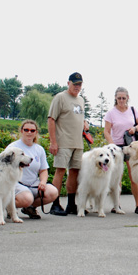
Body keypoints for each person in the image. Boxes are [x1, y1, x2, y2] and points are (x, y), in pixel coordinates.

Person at [47, 72, 90, 216]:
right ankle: (55, 204)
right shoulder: (60, 98)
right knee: (60, 170)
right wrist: (53, 142)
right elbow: (51, 119)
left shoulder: (81, 100)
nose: (77, 87)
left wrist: (84, 123)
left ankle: (71, 204)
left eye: (79, 84)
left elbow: (78, 116)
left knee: (75, 171)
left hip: (78, 142)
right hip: (63, 141)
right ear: (68, 83)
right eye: (75, 84)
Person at [104, 87, 138, 214]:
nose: (121, 100)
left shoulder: (132, 110)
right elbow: (106, 131)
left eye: (123, 98)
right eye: (119, 98)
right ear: (115, 98)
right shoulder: (111, 113)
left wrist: (135, 129)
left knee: (134, 177)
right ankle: (117, 205)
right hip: (117, 148)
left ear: (127, 98)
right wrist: (111, 145)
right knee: (117, 178)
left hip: (130, 147)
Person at [7, 119, 59, 219]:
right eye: (26, 130)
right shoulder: (13, 147)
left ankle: (30, 207)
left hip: (33, 183)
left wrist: (43, 182)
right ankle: (9, 207)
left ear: (36, 132)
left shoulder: (39, 149)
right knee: (27, 198)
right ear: (21, 131)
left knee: (53, 192)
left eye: (32, 130)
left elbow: (43, 170)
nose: (29, 132)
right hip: (17, 183)